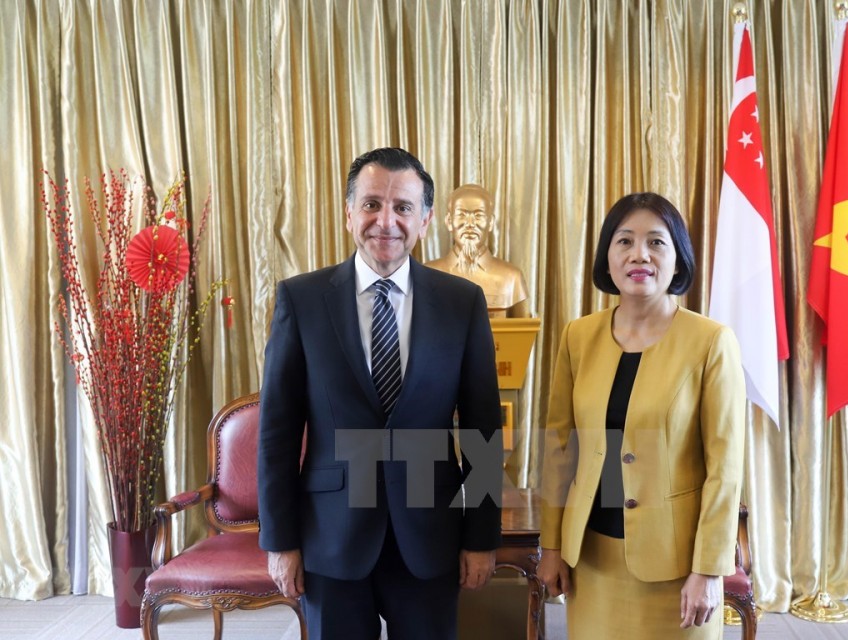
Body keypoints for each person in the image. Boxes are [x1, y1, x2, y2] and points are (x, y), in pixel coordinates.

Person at [257, 147, 504, 640]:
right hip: (331, 537)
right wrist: (280, 541)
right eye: (371, 204)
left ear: (426, 219)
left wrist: (481, 537)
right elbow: (278, 433)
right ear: (349, 212)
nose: (385, 221)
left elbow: (482, 431)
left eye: (403, 207)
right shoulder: (301, 300)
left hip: (430, 534)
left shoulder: (462, 303)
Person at [537, 192, 746, 640]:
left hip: (676, 569)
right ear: (607, 259)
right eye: (624, 241)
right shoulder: (579, 336)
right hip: (591, 559)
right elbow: (559, 449)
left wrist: (709, 569)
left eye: (656, 242)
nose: (639, 255)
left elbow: (725, 469)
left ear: (677, 260)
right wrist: (551, 546)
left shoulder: (711, 342)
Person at [425, 183, 529, 317]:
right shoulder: (427, 276)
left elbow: (523, 333)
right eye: (461, 215)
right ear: (449, 221)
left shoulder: (512, 278)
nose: (470, 224)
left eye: (478, 215)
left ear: (490, 222)